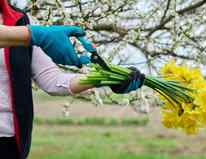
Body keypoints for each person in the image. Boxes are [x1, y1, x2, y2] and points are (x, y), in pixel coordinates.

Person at [0, 0, 145, 159]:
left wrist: (103, 78)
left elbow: (53, 80)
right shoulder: (26, 30)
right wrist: (36, 34)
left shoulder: (19, 20)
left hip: (9, 144)